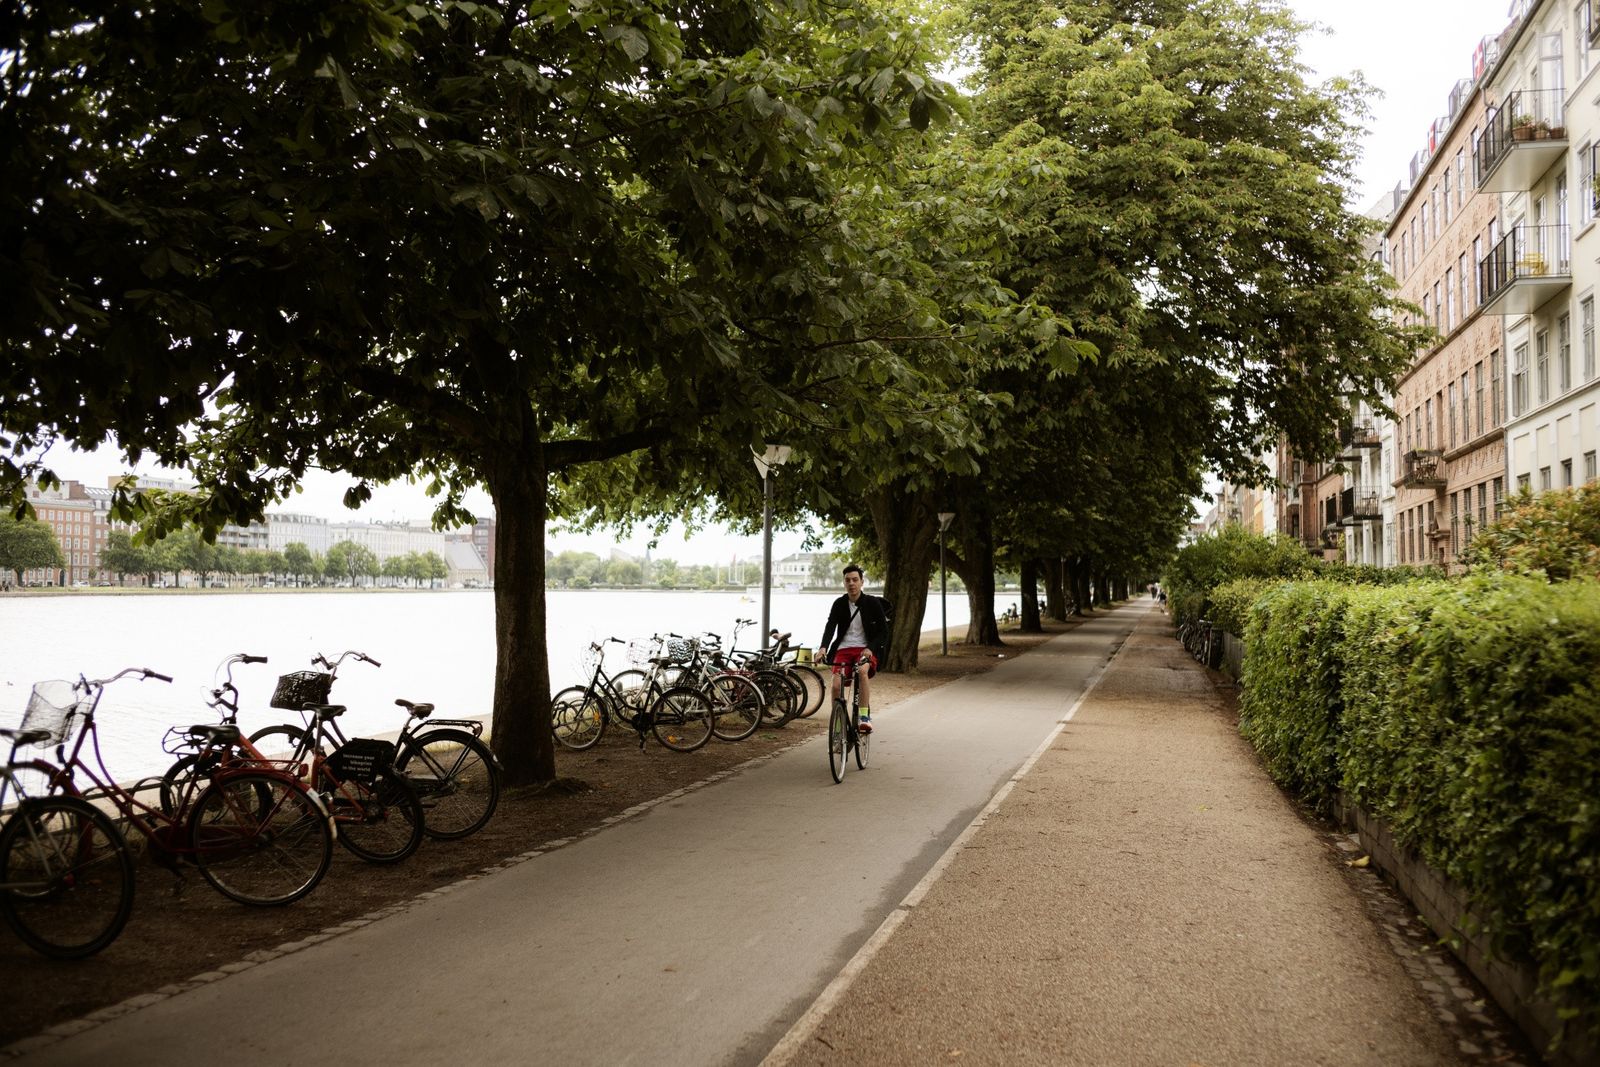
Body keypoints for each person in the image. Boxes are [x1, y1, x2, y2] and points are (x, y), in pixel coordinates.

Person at [818, 563, 891, 734]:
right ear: (844, 583)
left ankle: (864, 717)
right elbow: (830, 626)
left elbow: (884, 631)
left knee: (862, 671)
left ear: (861, 582)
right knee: (836, 685)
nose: (851, 583)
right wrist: (823, 647)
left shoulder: (872, 602)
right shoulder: (839, 603)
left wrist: (870, 648)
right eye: (848, 580)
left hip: (864, 649)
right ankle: (838, 724)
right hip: (843, 650)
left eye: (855, 580)